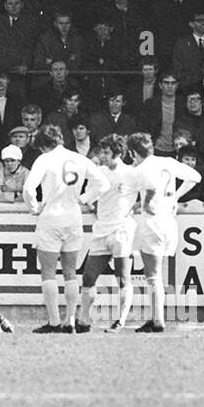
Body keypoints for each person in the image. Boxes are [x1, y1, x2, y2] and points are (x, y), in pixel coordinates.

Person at [23, 123, 110, 333]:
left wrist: (34, 208)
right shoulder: (79, 158)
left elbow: (28, 188)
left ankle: (54, 321)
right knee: (71, 272)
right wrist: (84, 198)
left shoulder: (44, 159)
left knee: (49, 273)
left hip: (51, 216)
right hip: (73, 217)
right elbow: (103, 183)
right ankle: (70, 320)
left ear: (43, 145)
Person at [127, 131, 200, 333]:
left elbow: (149, 189)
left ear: (133, 152)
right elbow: (195, 176)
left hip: (153, 222)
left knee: (152, 275)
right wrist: (175, 196)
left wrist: (144, 203)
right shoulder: (167, 161)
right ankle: (156, 318)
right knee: (157, 274)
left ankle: (157, 320)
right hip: (169, 221)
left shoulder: (141, 169)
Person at [81, 134, 141, 331]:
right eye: (101, 152)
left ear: (118, 153)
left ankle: (120, 320)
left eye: (107, 152)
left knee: (123, 278)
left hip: (121, 229)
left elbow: (149, 191)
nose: (103, 156)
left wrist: (135, 207)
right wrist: (91, 204)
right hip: (101, 229)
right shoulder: (98, 172)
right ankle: (84, 320)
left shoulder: (131, 174)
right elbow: (90, 196)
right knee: (88, 277)